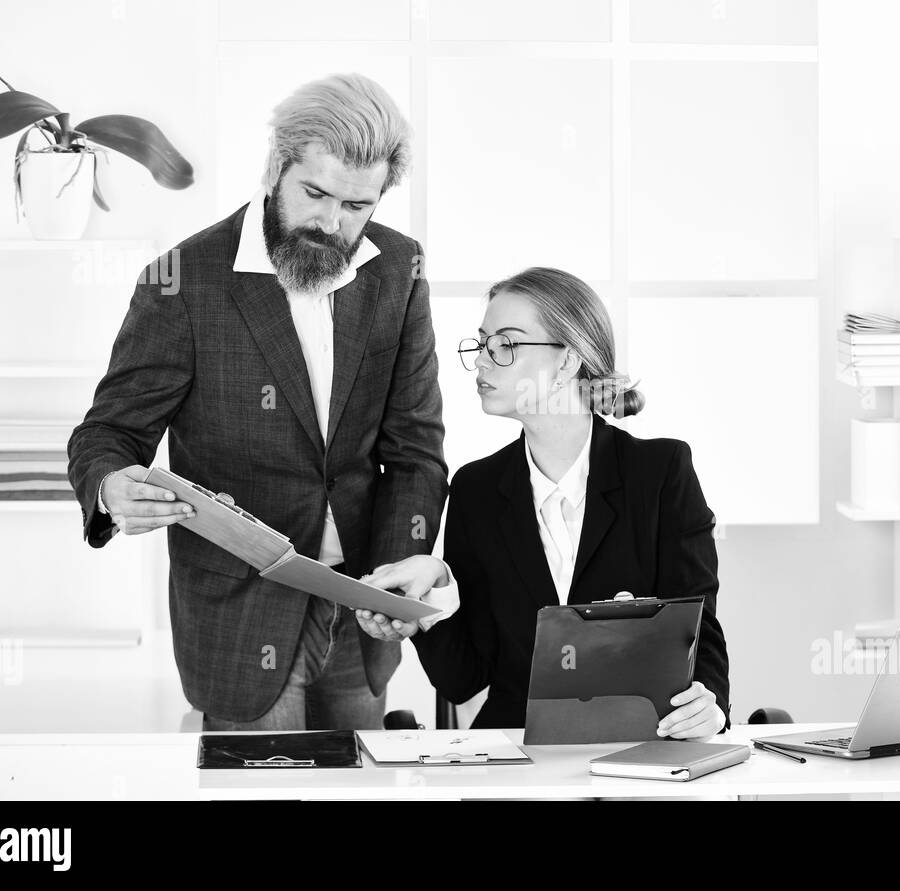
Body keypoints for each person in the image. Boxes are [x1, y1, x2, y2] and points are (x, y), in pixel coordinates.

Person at [67, 73, 447, 731]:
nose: (331, 223)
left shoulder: (399, 270)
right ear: (277, 166)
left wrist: (395, 572)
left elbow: (415, 449)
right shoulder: (183, 282)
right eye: (315, 192)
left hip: (361, 615)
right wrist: (110, 484)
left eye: (357, 205)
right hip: (240, 617)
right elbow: (108, 433)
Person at [355, 267, 730, 738]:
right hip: (520, 759)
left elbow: (699, 626)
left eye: (506, 345)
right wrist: (431, 595)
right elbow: (464, 678)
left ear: (569, 360)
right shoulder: (477, 487)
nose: (484, 363)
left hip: (642, 747)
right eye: (483, 344)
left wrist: (710, 708)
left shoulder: (660, 472)